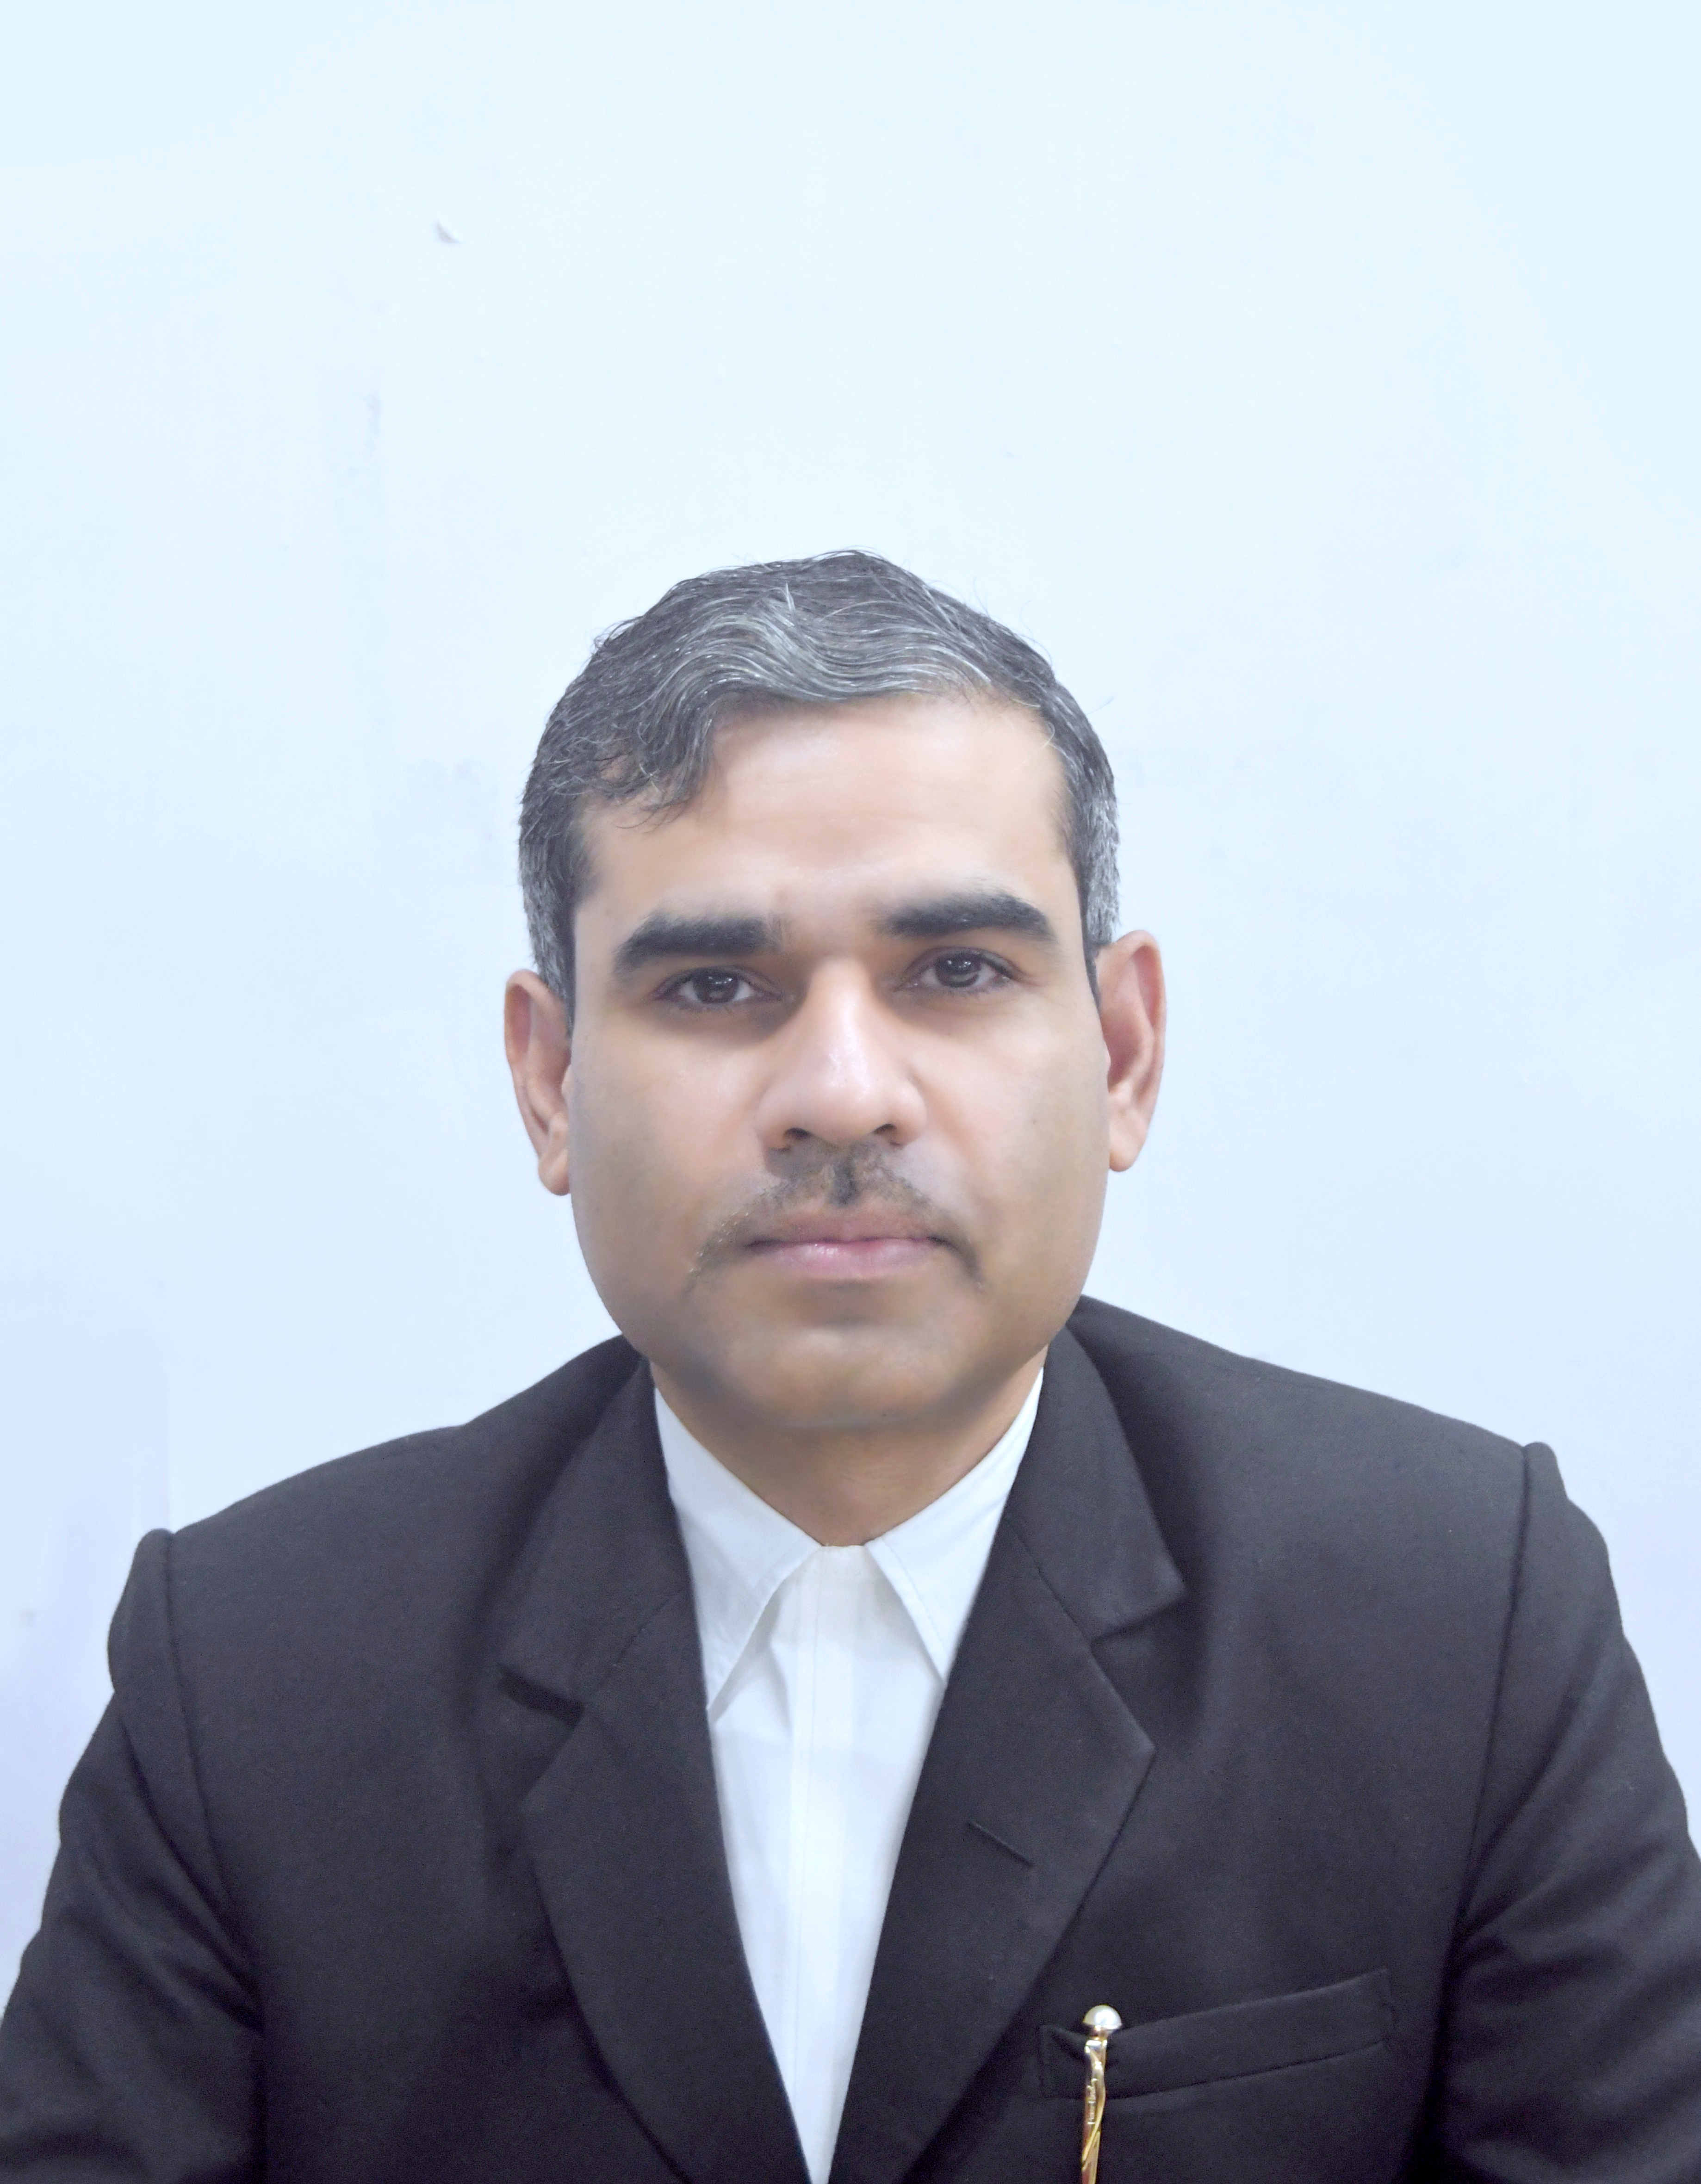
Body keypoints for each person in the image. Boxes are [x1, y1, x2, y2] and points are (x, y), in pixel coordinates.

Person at [1, 551, 1697, 2184]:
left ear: (1120, 1052)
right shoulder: (255, 1680)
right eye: (714, 983)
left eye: (954, 970)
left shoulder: (1456, 1623)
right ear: (548, 1079)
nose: (839, 1091)